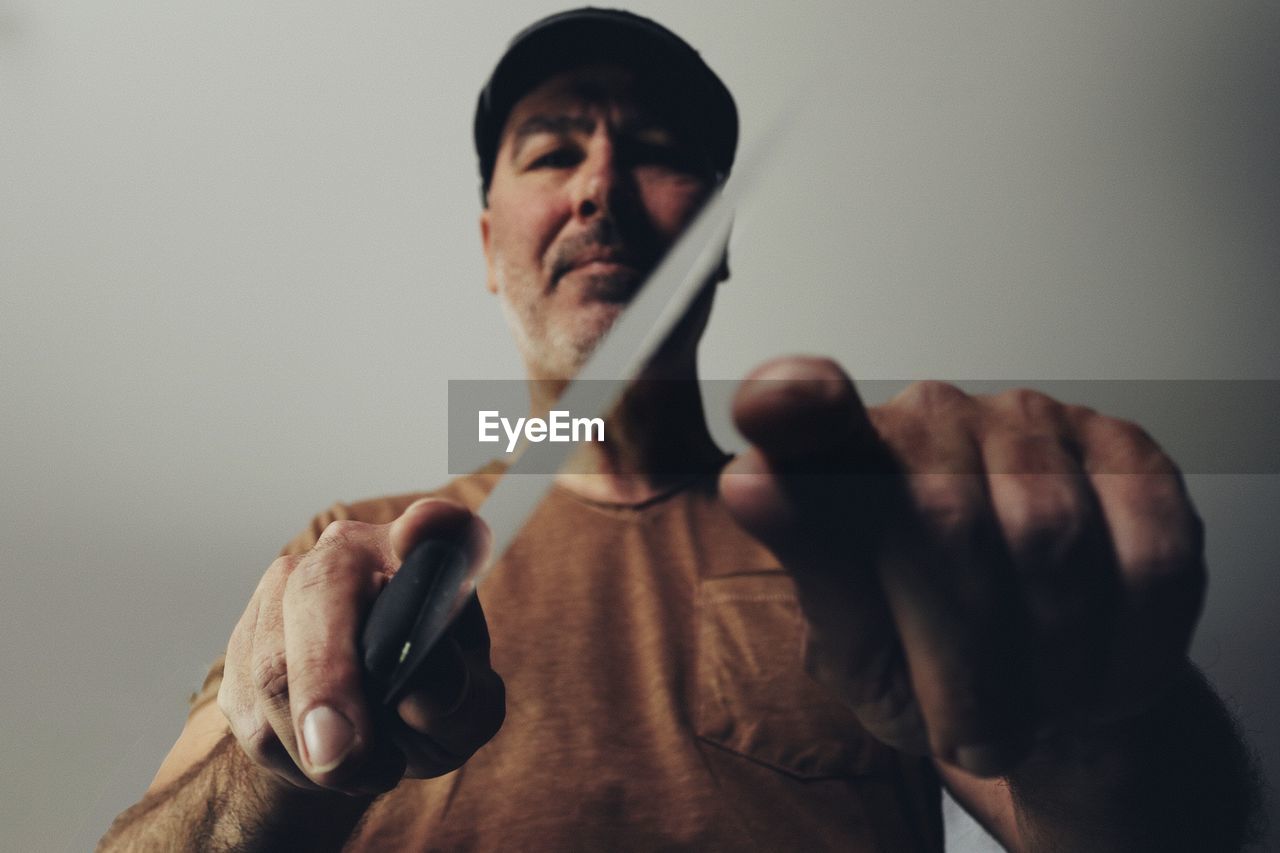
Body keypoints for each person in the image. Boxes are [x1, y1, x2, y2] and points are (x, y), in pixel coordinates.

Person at [100, 9, 1262, 851]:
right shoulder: (347, 547)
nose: (600, 183)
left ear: (718, 238)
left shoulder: (859, 538)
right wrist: (286, 772)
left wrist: (1103, 706)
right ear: (487, 242)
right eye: (553, 151)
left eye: (655, 150)